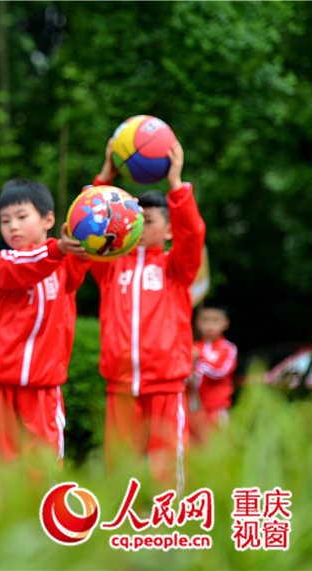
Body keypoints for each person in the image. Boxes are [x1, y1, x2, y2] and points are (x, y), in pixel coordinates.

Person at [89, 139, 205, 492]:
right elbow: (91, 223)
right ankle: (122, 536)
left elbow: (193, 234)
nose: (138, 227)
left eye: (149, 221)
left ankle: (170, 535)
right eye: (133, 220)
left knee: (167, 470)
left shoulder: (176, 268)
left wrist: (176, 185)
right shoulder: (110, 267)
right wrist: (104, 179)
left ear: (169, 230)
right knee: (120, 470)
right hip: (121, 387)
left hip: (166, 387)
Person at [0, 179, 90, 497]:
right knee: (1, 471)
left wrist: (102, 188)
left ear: (49, 220)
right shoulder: (4, 263)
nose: (13, 226)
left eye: (22, 216)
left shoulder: (67, 265)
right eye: (5, 220)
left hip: (43, 389)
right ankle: (3, 539)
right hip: (0, 387)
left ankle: (46, 538)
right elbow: (27, 266)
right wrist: (57, 249)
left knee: (44, 470)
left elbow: (94, 235)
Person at [187, 304, 238, 443]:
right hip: (193, 409)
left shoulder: (228, 348)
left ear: (225, 323)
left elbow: (219, 371)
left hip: (216, 410)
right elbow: (183, 376)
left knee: (217, 450)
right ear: (197, 323)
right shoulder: (193, 347)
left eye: (215, 320)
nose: (210, 325)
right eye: (205, 320)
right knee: (193, 452)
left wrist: (198, 359)